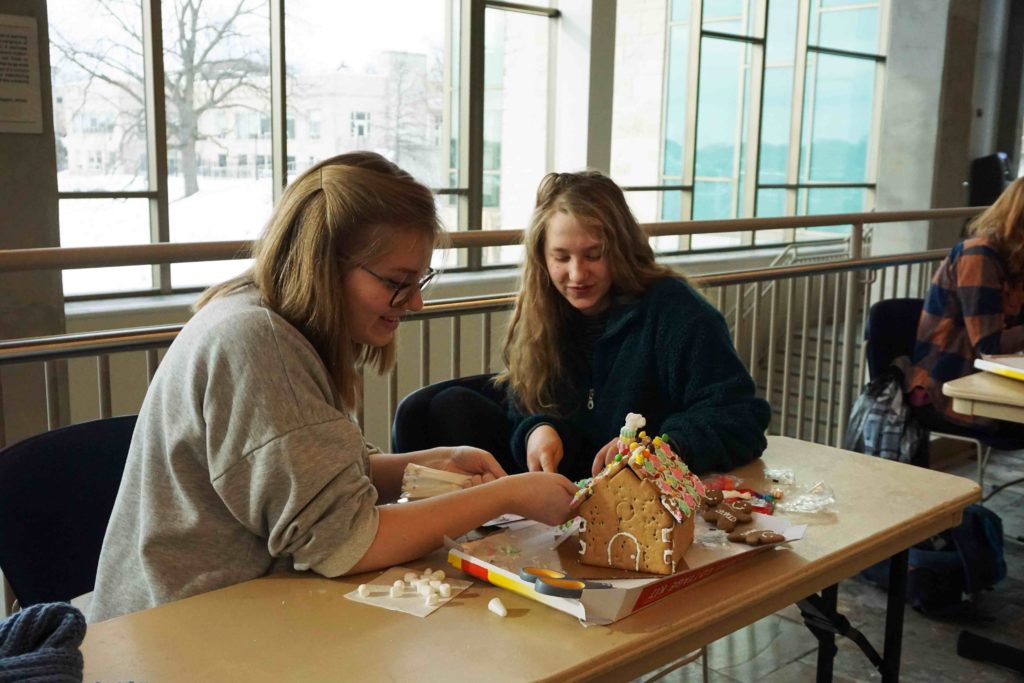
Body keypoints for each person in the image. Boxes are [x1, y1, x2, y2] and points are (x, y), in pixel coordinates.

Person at [89, 153, 577, 622]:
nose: (416, 304)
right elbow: (348, 541)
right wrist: (508, 495)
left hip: (230, 613)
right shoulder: (261, 344)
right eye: (397, 281)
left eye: (420, 280)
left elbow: (305, 480)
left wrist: (426, 462)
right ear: (325, 264)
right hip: (183, 632)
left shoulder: (269, 319)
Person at [494, 170, 771, 482]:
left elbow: (740, 418)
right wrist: (537, 429)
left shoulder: (680, 313)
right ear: (542, 259)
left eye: (593, 255)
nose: (577, 274)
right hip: (570, 508)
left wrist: (660, 450)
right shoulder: (539, 314)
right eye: (561, 257)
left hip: (660, 507)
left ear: (621, 248)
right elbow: (523, 405)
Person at [907, 175, 1024, 440]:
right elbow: (989, 344)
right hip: (948, 389)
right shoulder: (978, 257)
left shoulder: (1014, 260)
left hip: (993, 383)